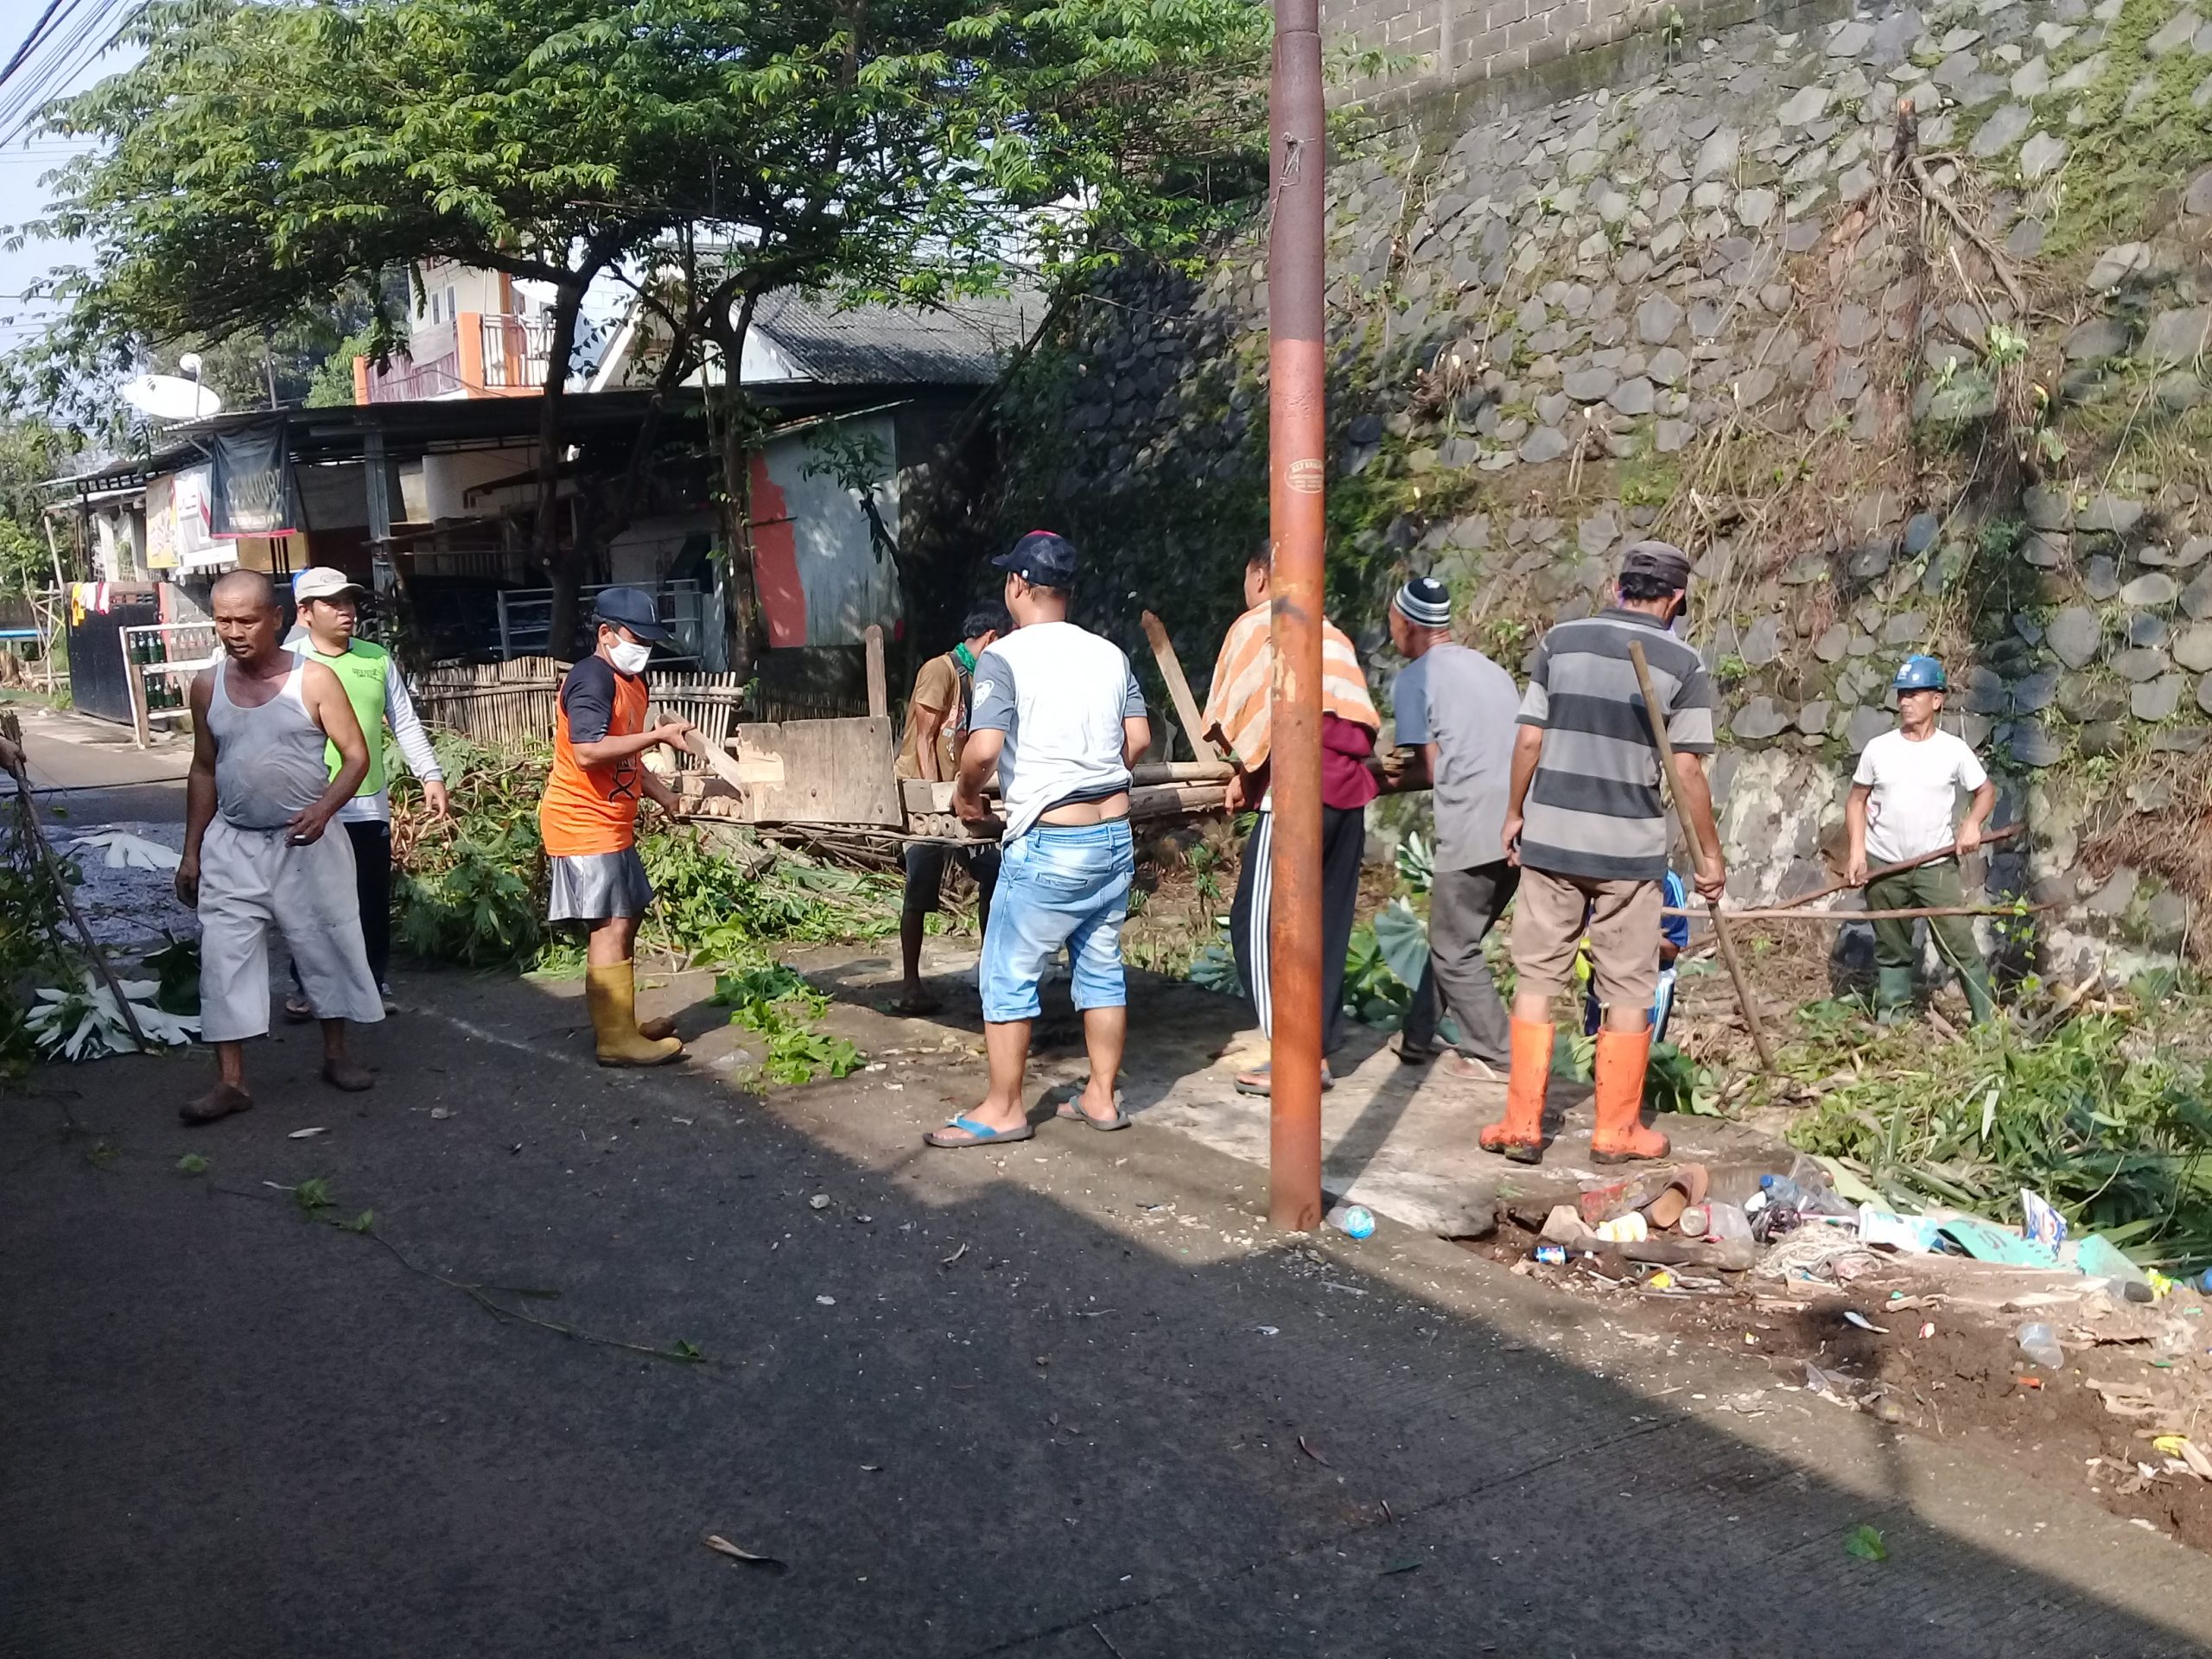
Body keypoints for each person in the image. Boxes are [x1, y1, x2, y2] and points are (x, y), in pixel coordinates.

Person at [1484, 540, 1724, 1166]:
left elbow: (1530, 738)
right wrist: (1710, 859)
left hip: (1552, 840)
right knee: (1627, 985)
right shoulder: (1684, 662)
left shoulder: (1560, 642)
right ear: (1675, 599)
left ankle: (1521, 1124)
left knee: (1538, 975)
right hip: (1627, 854)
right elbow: (1689, 771)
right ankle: (1615, 1131)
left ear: (1619, 588)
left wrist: (1515, 812)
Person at [925, 531, 1149, 1148]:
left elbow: (985, 749)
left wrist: (967, 796)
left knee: (1007, 974)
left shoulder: (1007, 657)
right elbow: (1140, 739)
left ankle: (1004, 1109)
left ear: (1018, 585)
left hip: (1051, 842)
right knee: (1101, 968)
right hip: (1112, 836)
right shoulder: (1110, 654)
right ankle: (1100, 1097)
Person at [174, 569, 385, 1124]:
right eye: (223, 620)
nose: (234, 631)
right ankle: (231, 1082)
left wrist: (324, 809)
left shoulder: (313, 680)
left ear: (277, 619)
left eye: (246, 620)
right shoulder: (207, 685)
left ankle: (336, 1055)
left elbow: (356, 756)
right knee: (224, 959)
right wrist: (192, 850)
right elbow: (203, 769)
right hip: (233, 843)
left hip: (307, 841)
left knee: (325, 946)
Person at [1202, 545, 1383, 1096]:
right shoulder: (1332, 633)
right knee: (1324, 927)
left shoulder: (1260, 623)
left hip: (1299, 796)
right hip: (1347, 798)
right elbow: (1324, 722)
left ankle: (1292, 1054)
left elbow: (1259, 726)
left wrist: (1247, 778)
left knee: (1254, 926)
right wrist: (1255, 777)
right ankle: (1317, 1050)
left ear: (1259, 574)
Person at [279, 567, 448, 1021]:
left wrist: (430, 775)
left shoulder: (376, 659)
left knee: (370, 900)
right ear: (305, 613)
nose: (346, 611)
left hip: (367, 804)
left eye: (349, 601)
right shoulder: (286, 661)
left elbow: (405, 722)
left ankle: (371, 984)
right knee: (311, 901)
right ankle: (305, 986)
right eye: (332, 603)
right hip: (309, 805)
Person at [538, 587, 699, 1066]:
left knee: (626, 917)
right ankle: (614, 1041)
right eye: (636, 637)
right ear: (605, 633)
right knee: (609, 925)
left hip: (611, 824)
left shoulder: (632, 682)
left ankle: (622, 1025)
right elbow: (588, 750)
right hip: (583, 823)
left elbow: (626, 754)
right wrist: (657, 734)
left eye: (650, 641)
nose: (644, 649)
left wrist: (665, 797)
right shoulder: (593, 679)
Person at [1386, 575, 1522, 1079]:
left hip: (1471, 819)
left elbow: (1432, 766)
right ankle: (1418, 1034)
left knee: (1451, 946)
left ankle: (1500, 1053)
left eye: (1392, 622)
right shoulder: (1490, 669)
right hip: (1518, 819)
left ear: (1409, 625)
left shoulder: (1414, 678)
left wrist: (1383, 773)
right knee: (1456, 937)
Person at [1845, 654, 1999, 1024]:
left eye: (1915, 693)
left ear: (1937, 699)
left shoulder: (1953, 750)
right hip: (1885, 865)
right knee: (1891, 946)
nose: (1906, 702)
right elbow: (1856, 800)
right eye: (1902, 694)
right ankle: (1892, 1018)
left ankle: (1987, 1026)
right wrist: (1856, 852)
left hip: (1935, 866)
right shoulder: (1879, 749)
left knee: (1958, 943)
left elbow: (1985, 791)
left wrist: (1972, 823)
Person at [893, 605, 1007, 1014]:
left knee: (993, 871)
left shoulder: (975, 677)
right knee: (920, 886)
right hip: (924, 793)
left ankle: (989, 971)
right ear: (991, 638)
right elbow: (924, 737)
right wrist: (933, 796)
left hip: (956, 792)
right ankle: (910, 984)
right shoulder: (939, 670)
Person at [1581, 867, 1690, 1043]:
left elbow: (1672, 949)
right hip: (1602, 978)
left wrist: (1630, 938)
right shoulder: (1596, 873)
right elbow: (1584, 936)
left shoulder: (1666, 882)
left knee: (1641, 1052)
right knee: (1593, 1048)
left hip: (1650, 981)